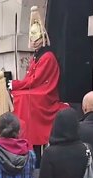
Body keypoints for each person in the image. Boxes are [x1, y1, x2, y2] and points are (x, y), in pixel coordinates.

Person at [10, 6, 68, 147]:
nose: (34, 43)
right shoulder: (36, 56)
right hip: (38, 87)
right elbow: (29, 78)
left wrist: (16, 84)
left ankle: (29, 135)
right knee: (16, 94)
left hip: (45, 92)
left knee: (23, 97)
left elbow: (36, 80)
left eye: (36, 40)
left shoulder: (47, 56)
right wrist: (16, 85)